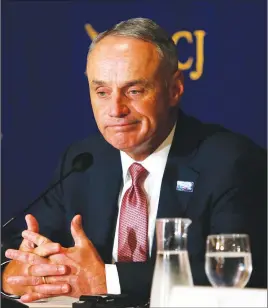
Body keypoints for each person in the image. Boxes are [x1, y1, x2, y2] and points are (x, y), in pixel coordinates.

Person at [2, 17, 267, 303]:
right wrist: (18, 273)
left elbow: (233, 274)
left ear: (174, 89)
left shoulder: (231, 162)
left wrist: (107, 278)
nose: (115, 109)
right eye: (102, 92)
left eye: (134, 91)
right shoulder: (83, 160)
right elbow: (22, 244)